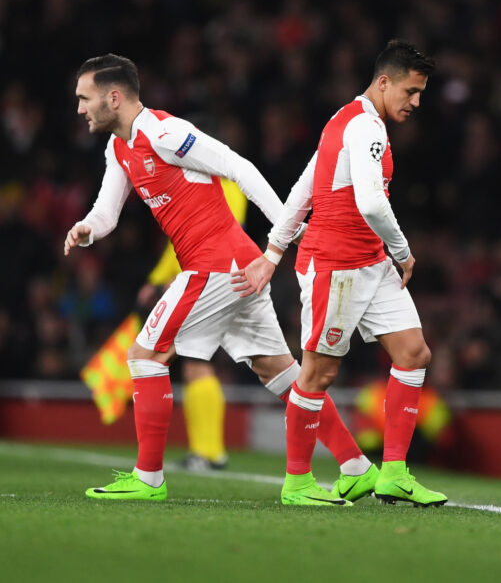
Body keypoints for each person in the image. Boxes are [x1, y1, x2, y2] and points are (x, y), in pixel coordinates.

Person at [65, 54, 374, 506]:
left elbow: (239, 167)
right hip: (233, 269)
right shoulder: (119, 148)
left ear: (114, 97)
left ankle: (148, 478)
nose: (79, 108)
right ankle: (355, 465)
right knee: (281, 372)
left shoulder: (164, 133)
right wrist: (88, 228)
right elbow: (107, 213)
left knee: (144, 354)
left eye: (84, 98)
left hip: (216, 265)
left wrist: (285, 230)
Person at [233, 40, 447, 507]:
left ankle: (392, 472)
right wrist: (403, 251)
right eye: (411, 91)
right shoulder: (367, 128)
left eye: (421, 93)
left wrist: (272, 253)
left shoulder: (341, 120)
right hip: (337, 267)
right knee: (318, 373)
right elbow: (371, 201)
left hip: (369, 262)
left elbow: (302, 189)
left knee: (413, 353)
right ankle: (298, 482)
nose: (416, 102)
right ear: (384, 81)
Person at [137, 176, 249, 471]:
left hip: (215, 279)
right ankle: (208, 452)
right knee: (194, 365)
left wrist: (186, 274)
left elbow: (218, 235)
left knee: (197, 363)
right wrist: (157, 278)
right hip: (209, 278)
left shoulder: (227, 187)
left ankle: (209, 453)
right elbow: (180, 238)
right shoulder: (202, 185)